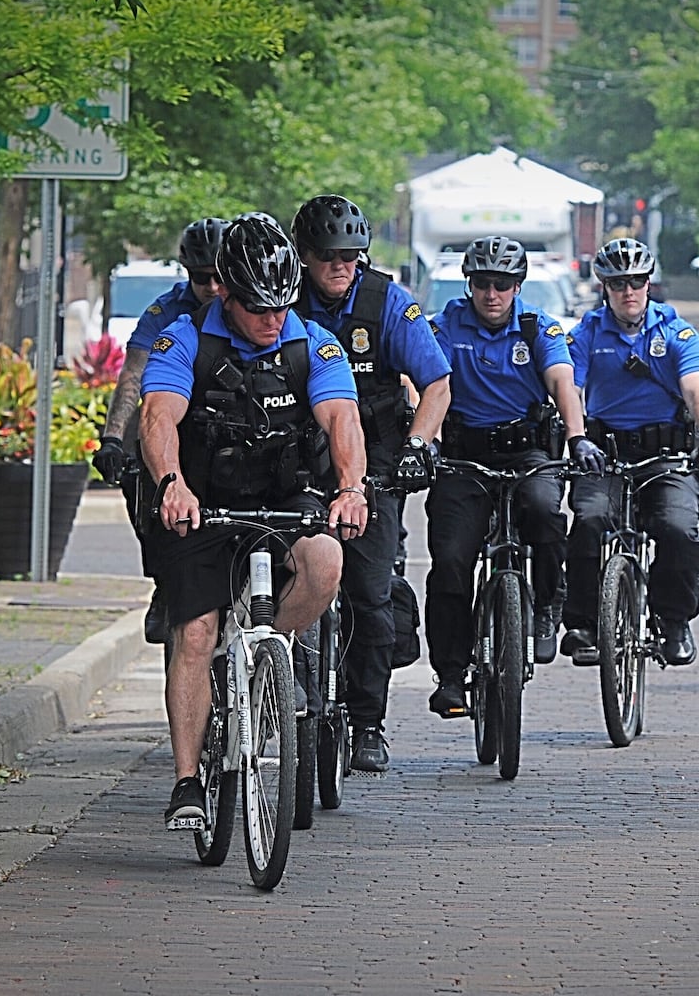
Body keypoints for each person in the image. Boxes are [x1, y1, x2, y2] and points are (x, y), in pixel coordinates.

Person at [138, 213, 369, 829]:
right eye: (258, 308)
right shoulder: (185, 340)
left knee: (326, 564)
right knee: (193, 634)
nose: (272, 320)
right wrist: (171, 485)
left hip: (284, 497)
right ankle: (188, 782)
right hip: (201, 505)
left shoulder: (311, 344)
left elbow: (342, 419)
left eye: (282, 306)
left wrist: (349, 489)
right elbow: (158, 419)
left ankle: (263, 656)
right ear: (226, 295)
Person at [291, 194, 452, 771]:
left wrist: (417, 446)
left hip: (379, 456)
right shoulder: (280, 300)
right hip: (303, 452)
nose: (341, 266)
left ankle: (367, 722)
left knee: (370, 590)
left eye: (352, 255)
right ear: (304, 257)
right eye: (329, 256)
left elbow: (436, 384)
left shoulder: (388, 302)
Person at [424, 235, 596, 719]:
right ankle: (452, 675)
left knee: (544, 512)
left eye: (502, 284)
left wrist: (578, 436)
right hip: (463, 459)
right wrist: (426, 442)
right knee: (452, 561)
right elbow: (429, 384)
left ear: (518, 286)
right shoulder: (445, 326)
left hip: (527, 453)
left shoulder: (537, 327)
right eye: (482, 284)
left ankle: (545, 603)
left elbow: (563, 381)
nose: (491, 294)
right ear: (469, 285)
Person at [561, 237, 699, 668]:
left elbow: (697, 390)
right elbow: (571, 389)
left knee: (676, 528)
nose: (628, 291)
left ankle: (674, 620)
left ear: (649, 284)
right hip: (604, 454)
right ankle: (580, 622)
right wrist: (577, 437)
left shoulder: (677, 332)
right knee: (589, 520)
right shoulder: (587, 333)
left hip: (667, 455)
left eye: (636, 281)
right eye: (618, 283)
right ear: (604, 287)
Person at [94, 217, 228, 644]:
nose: (210, 287)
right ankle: (165, 585)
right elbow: (133, 375)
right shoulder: (165, 311)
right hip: (171, 426)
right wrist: (113, 438)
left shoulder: (251, 307)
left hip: (227, 426)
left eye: (219, 277)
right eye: (200, 278)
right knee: (141, 485)